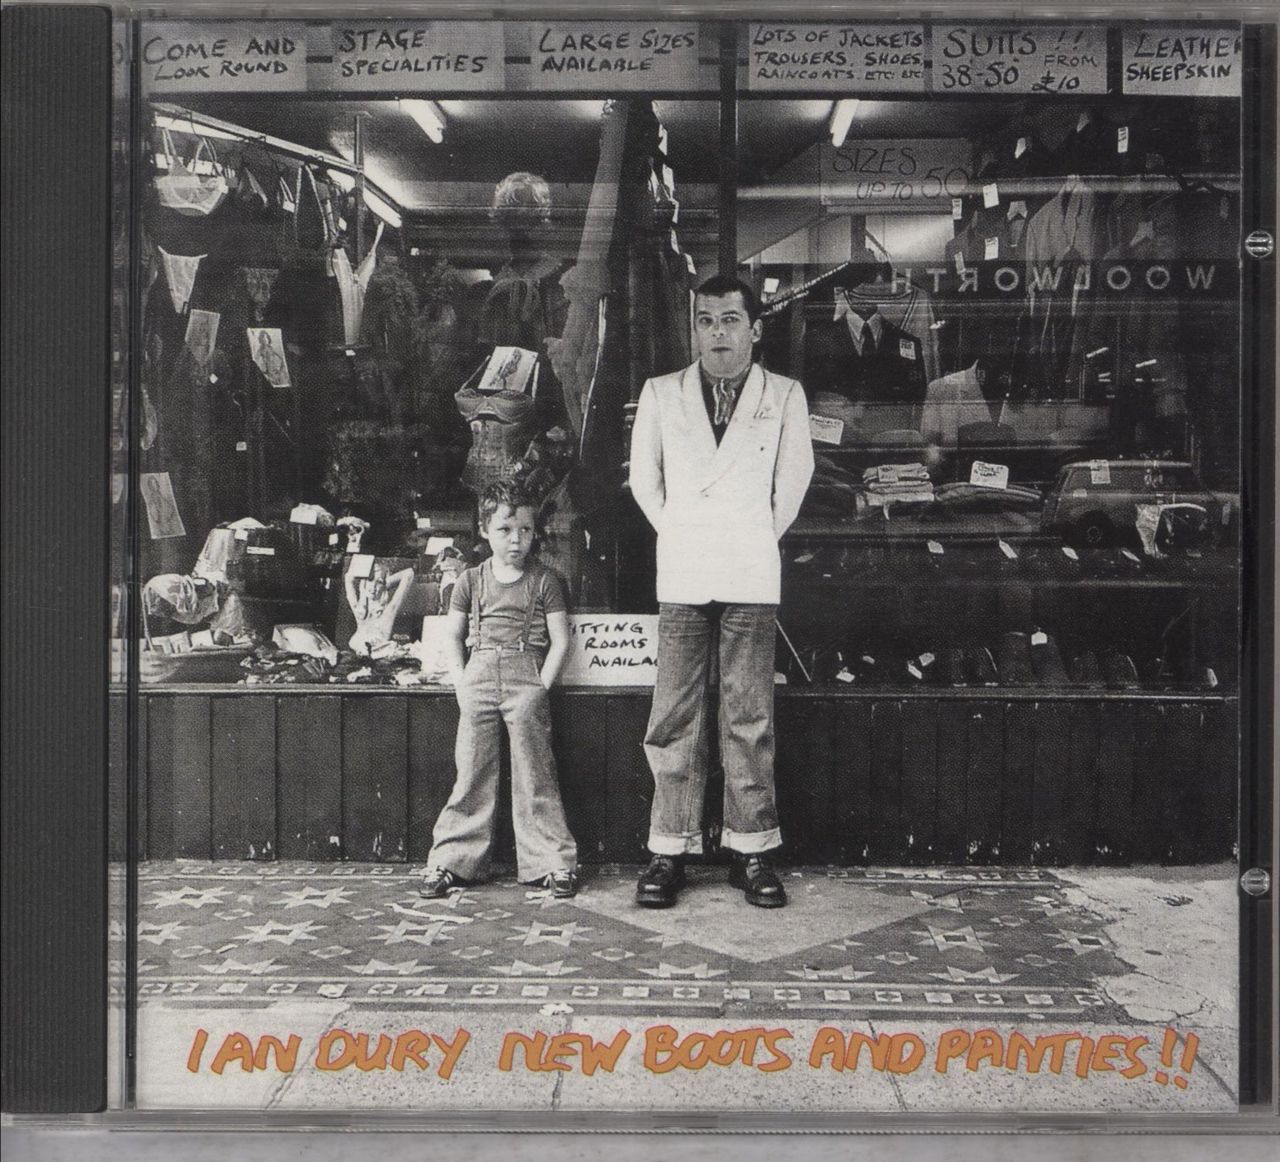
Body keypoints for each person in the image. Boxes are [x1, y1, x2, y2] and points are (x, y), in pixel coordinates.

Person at [628, 274, 814, 909]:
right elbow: (645, 481)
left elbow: (793, 481)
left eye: (730, 320)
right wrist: (688, 531)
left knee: (748, 714)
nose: (717, 334)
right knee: (673, 713)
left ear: (755, 329)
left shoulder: (783, 395)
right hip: (684, 566)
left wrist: (750, 533)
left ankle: (751, 849)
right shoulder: (662, 393)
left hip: (750, 568)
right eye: (705, 321)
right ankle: (669, 848)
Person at [419, 481, 579, 899]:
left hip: (526, 676)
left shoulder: (545, 581)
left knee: (535, 773)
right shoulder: (470, 580)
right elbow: (452, 636)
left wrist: (541, 687)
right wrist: (462, 682)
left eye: (525, 530)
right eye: (505, 530)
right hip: (479, 675)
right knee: (472, 770)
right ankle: (451, 861)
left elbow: (561, 640)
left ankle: (553, 862)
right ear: (484, 529)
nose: (516, 540)